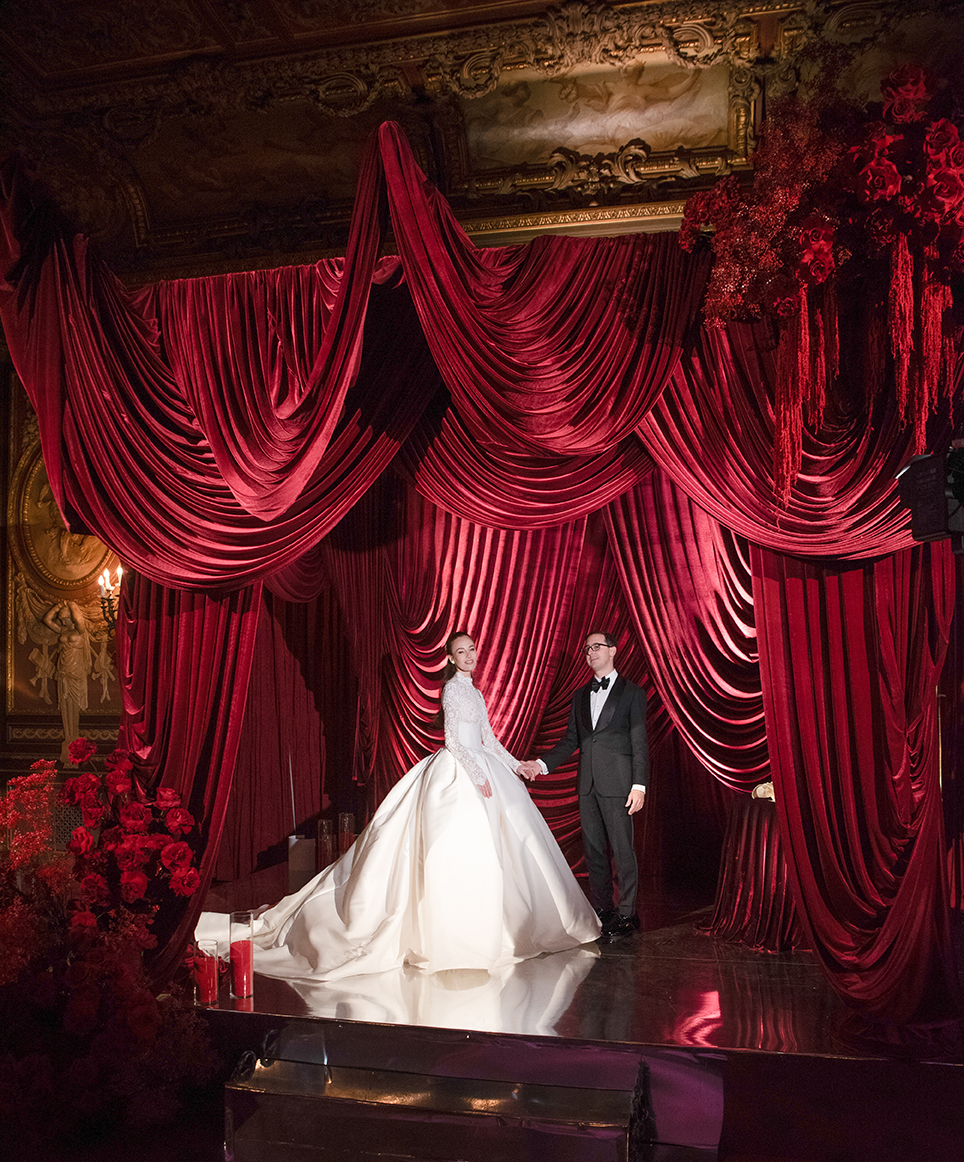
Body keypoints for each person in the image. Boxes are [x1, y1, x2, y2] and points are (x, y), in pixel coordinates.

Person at [196, 631, 600, 981]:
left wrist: (516, 767)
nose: (470, 657)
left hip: (484, 766)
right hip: (460, 771)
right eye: (462, 652)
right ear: (450, 659)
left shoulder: (474, 690)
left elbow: (488, 739)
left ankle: (505, 927)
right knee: (452, 848)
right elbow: (455, 743)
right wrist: (479, 778)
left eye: (473, 650)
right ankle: (454, 936)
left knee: (506, 849)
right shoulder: (453, 689)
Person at [519, 630, 648, 943]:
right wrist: (541, 765)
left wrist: (639, 785)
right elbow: (570, 741)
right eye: (587, 648)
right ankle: (603, 910)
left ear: (613, 650)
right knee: (594, 852)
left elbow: (639, 742)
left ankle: (627, 914)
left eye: (597, 646)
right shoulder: (579, 695)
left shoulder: (632, 692)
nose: (591, 652)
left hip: (619, 784)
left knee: (622, 850)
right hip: (586, 785)